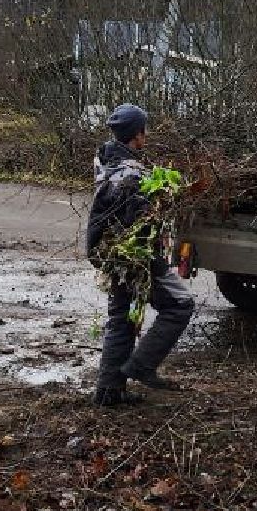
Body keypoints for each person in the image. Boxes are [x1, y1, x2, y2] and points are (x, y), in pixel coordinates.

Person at [85, 103, 194, 406]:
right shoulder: (132, 174)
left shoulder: (105, 161)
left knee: (120, 318)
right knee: (180, 305)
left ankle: (109, 392)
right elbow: (139, 225)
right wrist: (160, 203)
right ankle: (142, 366)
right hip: (133, 256)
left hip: (110, 254)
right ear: (138, 134)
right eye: (144, 130)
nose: (146, 136)